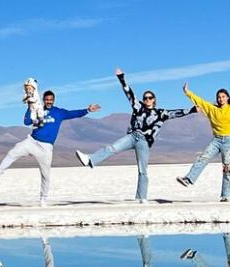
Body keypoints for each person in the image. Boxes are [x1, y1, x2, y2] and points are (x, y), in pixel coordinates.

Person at [75, 68, 197, 203]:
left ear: (154, 100)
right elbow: (129, 93)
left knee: (142, 170)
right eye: (145, 98)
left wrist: (192, 110)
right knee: (112, 148)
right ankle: (90, 160)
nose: (147, 100)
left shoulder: (161, 113)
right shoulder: (138, 106)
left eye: (150, 98)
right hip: (133, 136)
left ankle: (142, 198)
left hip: (144, 141)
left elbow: (177, 112)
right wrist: (121, 78)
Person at [0, 90, 101, 207]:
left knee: (46, 175)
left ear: (53, 100)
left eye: (51, 100)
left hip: (46, 147)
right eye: (47, 99)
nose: (49, 101)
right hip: (32, 141)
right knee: (13, 152)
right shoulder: (37, 109)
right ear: (43, 100)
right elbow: (26, 121)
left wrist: (87, 110)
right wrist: (30, 106)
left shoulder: (58, 112)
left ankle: (43, 199)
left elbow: (73, 113)